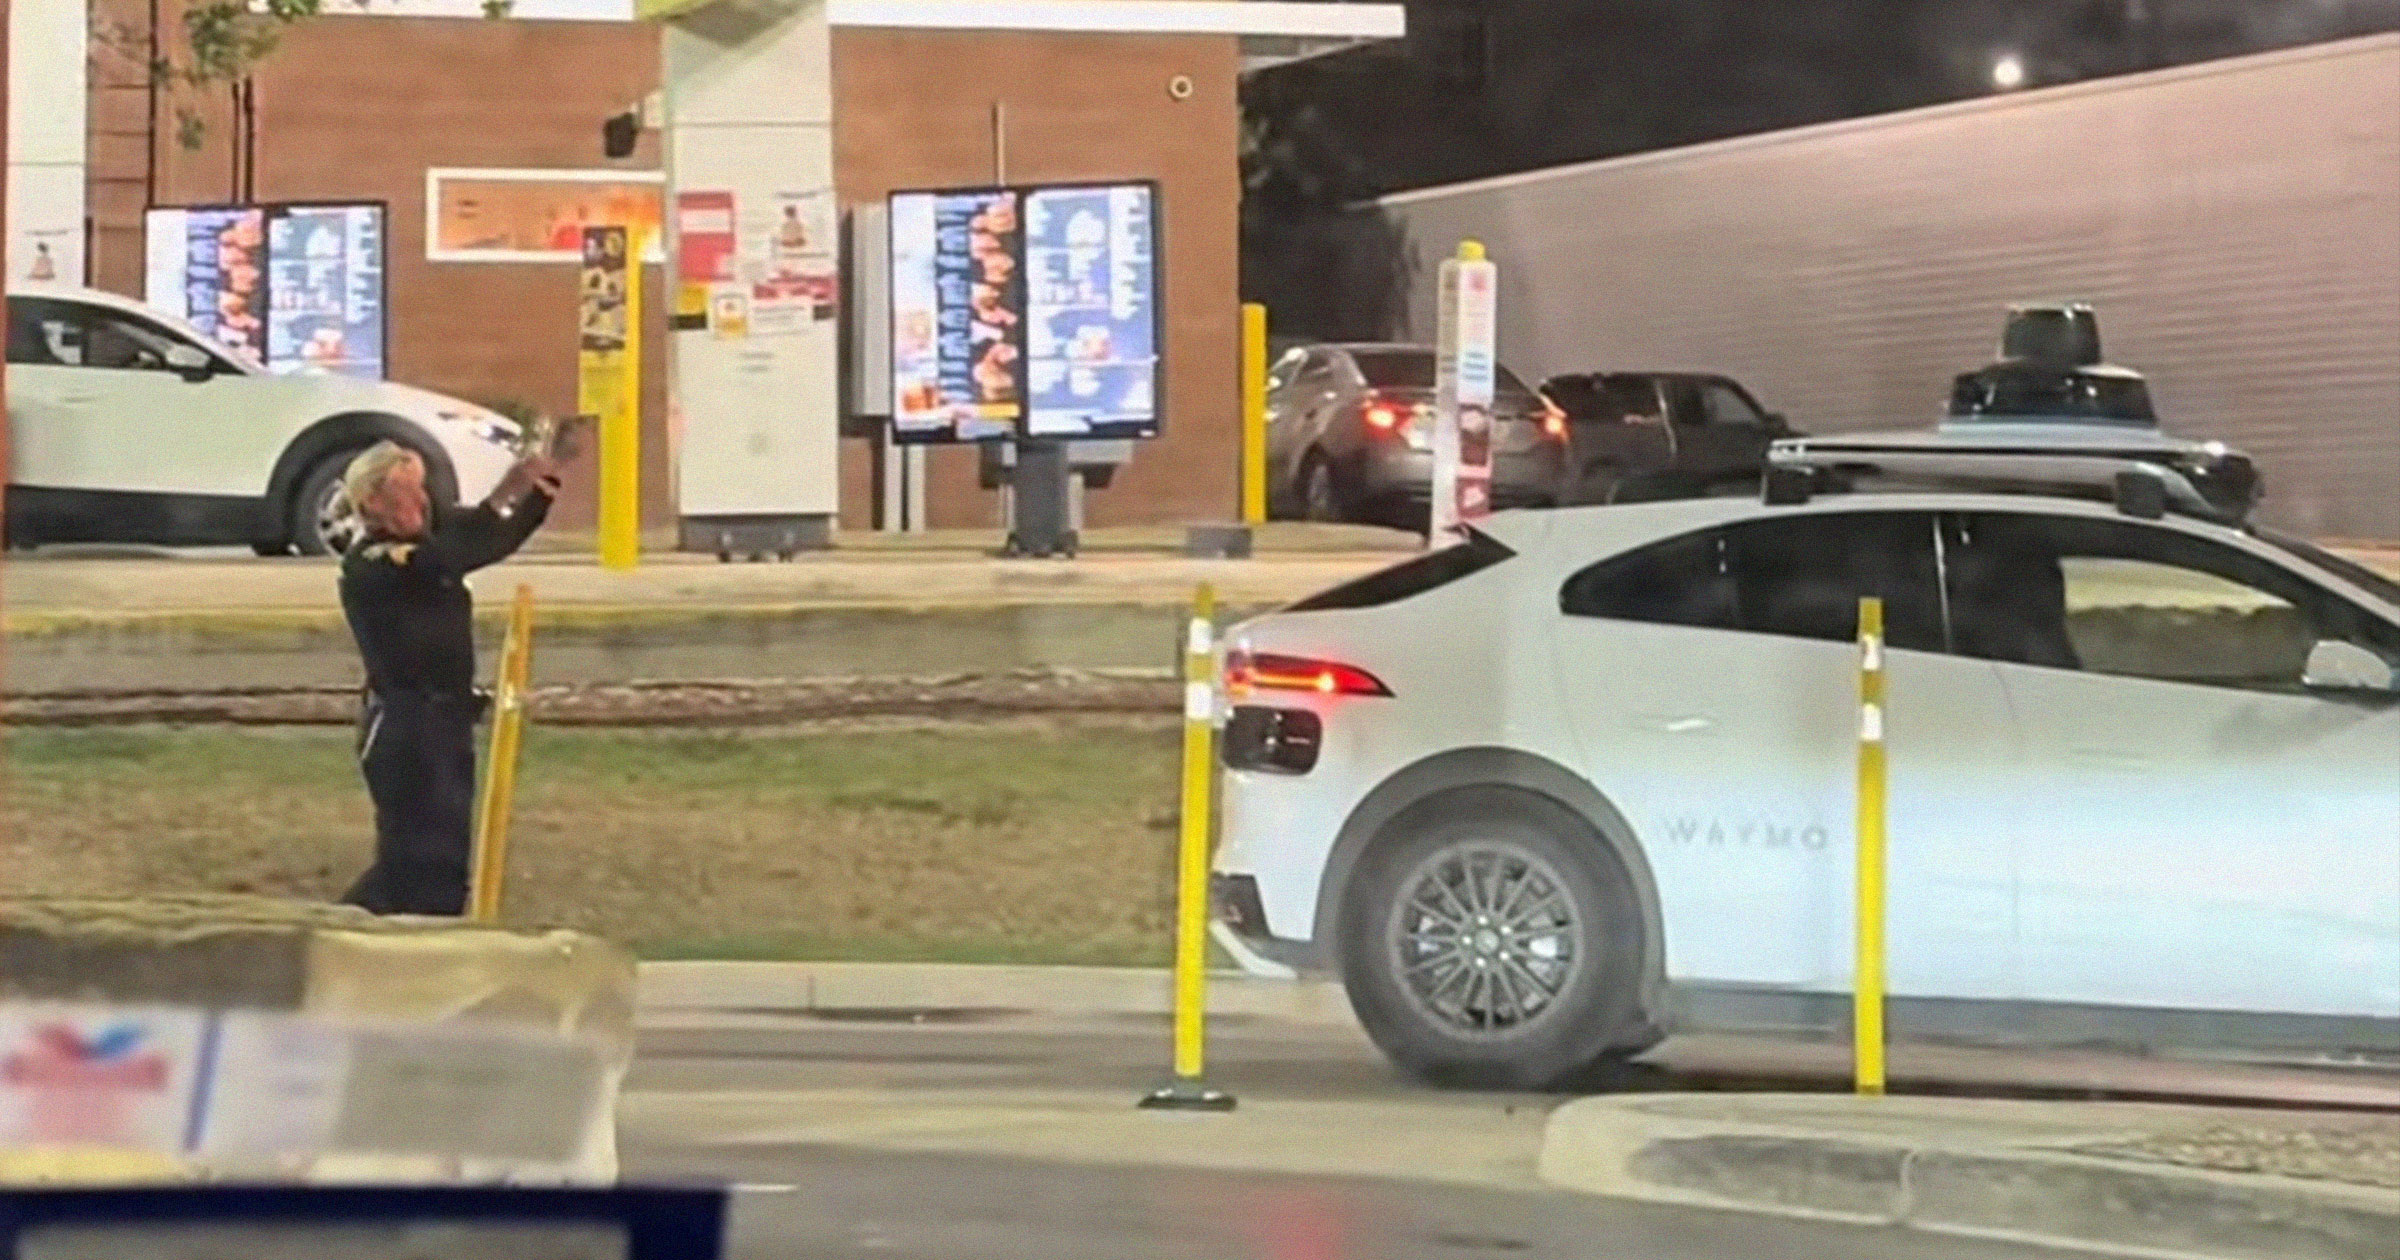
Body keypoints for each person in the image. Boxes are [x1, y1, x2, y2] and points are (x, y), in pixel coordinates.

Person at [337, 442, 561, 915]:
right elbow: (452, 555)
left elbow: (486, 533)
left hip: (447, 723)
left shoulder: (427, 544)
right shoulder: (371, 562)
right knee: (410, 863)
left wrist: (536, 488)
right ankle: (329, 942)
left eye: (423, 490)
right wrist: (509, 491)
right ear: (372, 501)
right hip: (405, 729)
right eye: (407, 492)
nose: (422, 502)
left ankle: (418, 959)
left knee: (446, 867)